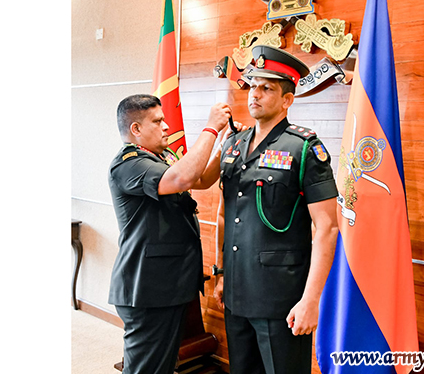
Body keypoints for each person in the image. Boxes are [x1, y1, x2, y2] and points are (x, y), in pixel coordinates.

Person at [213, 46, 340, 374]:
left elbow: (327, 228)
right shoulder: (233, 144)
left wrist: (311, 300)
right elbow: (224, 214)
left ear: (287, 100)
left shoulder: (304, 147)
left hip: (282, 299)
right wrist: (221, 273)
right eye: (253, 86)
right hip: (237, 292)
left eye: (267, 88)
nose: (255, 94)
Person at [107, 94, 233, 374]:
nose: (166, 127)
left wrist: (223, 147)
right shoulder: (129, 163)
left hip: (168, 286)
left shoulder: (161, 157)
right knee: (146, 369)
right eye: (157, 121)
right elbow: (182, 178)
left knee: (162, 366)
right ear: (136, 129)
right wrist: (211, 128)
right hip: (147, 290)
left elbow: (201, 178)